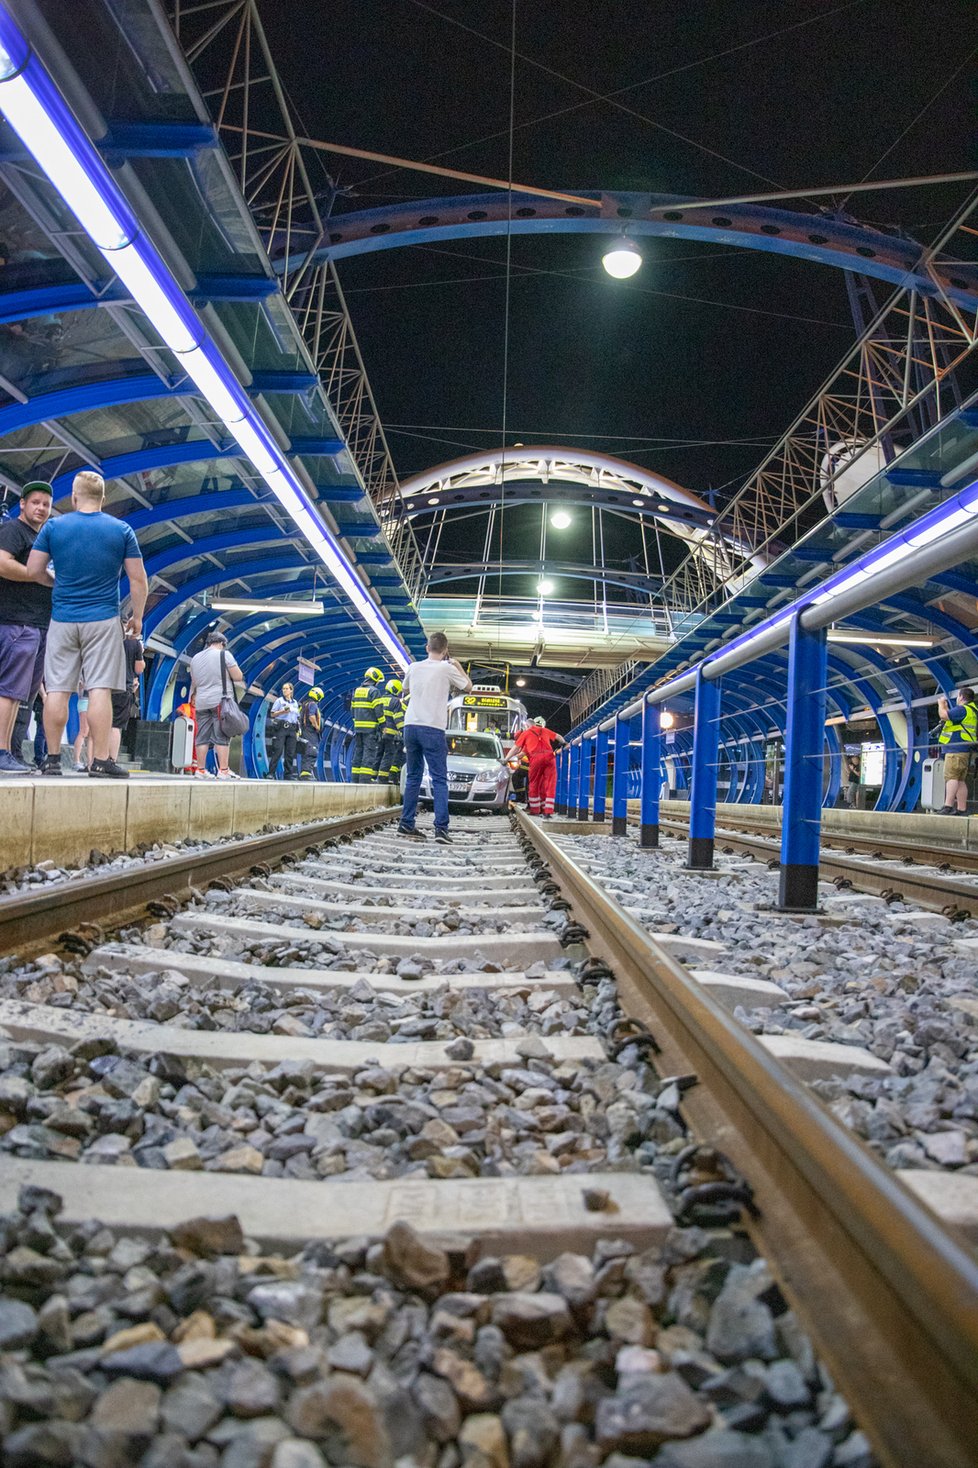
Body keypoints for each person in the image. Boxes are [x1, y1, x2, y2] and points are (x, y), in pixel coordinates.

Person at [27, 470, 147, 779]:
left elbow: (33, 570)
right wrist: (138, 616)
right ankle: (100, 762)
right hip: (103, 620)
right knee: (99, 690)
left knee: (57, 689)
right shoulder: (121, 530)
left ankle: (52, 760)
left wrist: (60, 585)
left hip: (63, 619)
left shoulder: (54, 526)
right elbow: (138, 579)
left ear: (74, 497)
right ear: (104, 499)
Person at [0, 480, 53, 774]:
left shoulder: (41, 538)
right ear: (22, 504)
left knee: (17, 694)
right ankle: (1, 750)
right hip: (16, 622)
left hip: (35, 624)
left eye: (46, 504)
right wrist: (37, 576)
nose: (41, 508)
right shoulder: (12, 530)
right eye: (35, 502)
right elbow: (2, 563)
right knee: (8, 690)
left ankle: (7, 750)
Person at [399, 633, 472, 843]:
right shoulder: (447, 668)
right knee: (439, 779)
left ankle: (406, 824)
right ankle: (441, 830)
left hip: (410, 726)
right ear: (446, 650)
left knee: (413, 776)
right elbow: (468, 687)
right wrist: (458, 666)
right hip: (432, 728)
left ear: (426, 647)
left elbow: (405, 688)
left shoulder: (414, 667)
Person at [189, 629, 245, 780]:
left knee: (202, 736)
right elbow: (238, 676)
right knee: (222, 735)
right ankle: (223, 770)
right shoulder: (224, 655)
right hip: (219, 701)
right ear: (222, 643)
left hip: (201, 702)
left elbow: (194, 681)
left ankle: (200, 770)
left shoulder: (195, 658)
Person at [513, 715, 567, 818]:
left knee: (533, 785)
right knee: (549, 785)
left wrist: (508, 758)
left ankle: (534, 809)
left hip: (533, 763)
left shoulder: (527, 733)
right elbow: (559, 737)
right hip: (549, 758)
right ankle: (547, 810)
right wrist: (564, 744)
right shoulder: (545, 731)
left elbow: (519, 750)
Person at [937, 687, 978, 815]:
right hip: (964, 750)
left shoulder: (963, 709)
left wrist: (941, 704)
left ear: (961, 697)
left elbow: (944, 715)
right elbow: (953, 719)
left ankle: (947, 806)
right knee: (960, 780)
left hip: (955, 750)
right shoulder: (973, 711)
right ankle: (961, 808)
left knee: (951, 777)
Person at [350, 666, 385, 781]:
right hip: (370, 729)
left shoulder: (357, 690)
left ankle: (355, 778)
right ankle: (364, 780)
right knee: (369, 752)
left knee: (358, 751)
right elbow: (378, 710)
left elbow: (352, 709)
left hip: (358, 728)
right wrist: (383, 725)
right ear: (375, 679)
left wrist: (356, 723)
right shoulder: (374, 691)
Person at [266, 681, 300, 779]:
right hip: (281, 727)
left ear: (291, 690)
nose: (284, 690)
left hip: (292, 728)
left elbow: (296, 716)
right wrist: (282, 711)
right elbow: (272, 714)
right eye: (283, 689)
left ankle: (288, 774)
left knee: (290, 752)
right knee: (278, 750)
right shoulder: (279, 701)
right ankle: (271, 773)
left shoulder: (295, 703)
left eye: (286, 689)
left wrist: (298, 729)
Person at [376, 676, 404, 784]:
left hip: (379, 733)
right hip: (390, 734)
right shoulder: (395, 701)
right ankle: (383, 777)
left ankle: (373, 776)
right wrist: (402, 730)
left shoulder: (380, 699)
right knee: (389, 754)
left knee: (378, 753)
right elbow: (398, 719)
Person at [297, 686, 324, 779]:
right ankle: (306, 773)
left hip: (304, 730)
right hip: (310, 731)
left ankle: (304, 772)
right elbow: (311, 716)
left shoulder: (304, 704)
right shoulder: (313, 704)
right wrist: (317, 726)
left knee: (306, 750)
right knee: (312, 751)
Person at [72, 684, 90, 771]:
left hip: (90, 701)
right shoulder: (82, 672)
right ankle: (76, 761)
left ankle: (90, 762)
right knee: (84, 731)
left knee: (90, 733)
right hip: (84, 700)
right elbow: (80, 685)